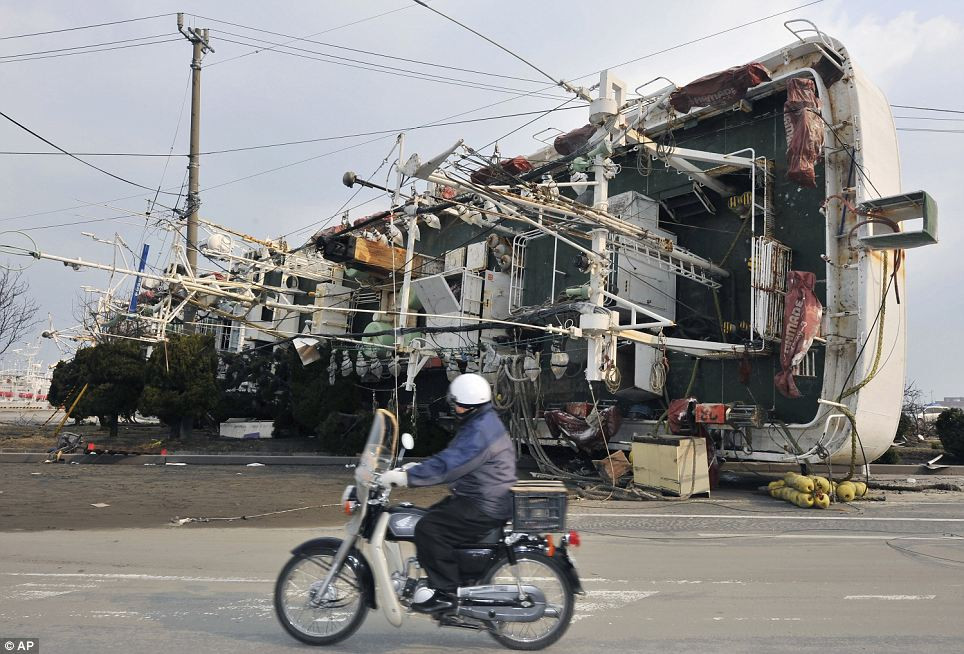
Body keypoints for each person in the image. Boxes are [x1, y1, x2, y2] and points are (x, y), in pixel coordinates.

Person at [380, 372, 516, 614]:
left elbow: (449, 465)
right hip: (481, 497)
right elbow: (450, 458)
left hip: (484, 503)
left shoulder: (479, 431)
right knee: (427, 518)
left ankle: (445, 592)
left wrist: (408, 478)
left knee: (429, 528)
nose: (454, 408)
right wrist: (416, 468)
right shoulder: (481, 421)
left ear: (466, 405)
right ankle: (453, 579)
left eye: (457, 404)